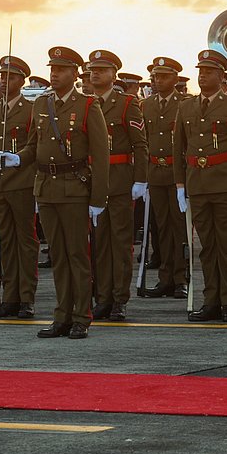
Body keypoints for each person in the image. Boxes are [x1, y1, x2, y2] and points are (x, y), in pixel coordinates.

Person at [0, 47, 110, 339]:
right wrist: (17, 158)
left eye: (60, 69)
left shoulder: (86, 106)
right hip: (46, 188)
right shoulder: (41, 105)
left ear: (74, 73)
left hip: (74, 189)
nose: (54, 74)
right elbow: (35, 144)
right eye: (52, 69)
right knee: (58, 256)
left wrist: (98, 199)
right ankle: (62, 316)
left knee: (76, 255)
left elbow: (101, 155)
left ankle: (81, 315)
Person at [173, 49, 227, 323]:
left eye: (208, 71)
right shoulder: (186, 107)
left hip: (225, 184)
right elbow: (179, 150)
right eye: (200, 71)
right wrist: (180, 185)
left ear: (222, 76)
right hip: (197, 183)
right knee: (206, 246)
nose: (202, 75)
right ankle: (211, 301)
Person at [88, 50, 148, 322]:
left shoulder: (126, 104)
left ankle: (119, 299)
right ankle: (102, 298)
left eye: (101, 69)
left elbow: (139, 143)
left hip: (120, 180)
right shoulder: (86, 103)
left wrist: (140, 179)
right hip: (93, 181)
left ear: (114, 74)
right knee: (99, 243)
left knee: (120, 243)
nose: (95, 73)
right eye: (92, 69)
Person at [0, 55, 39, 319]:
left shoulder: (31, 110)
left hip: (23, 183)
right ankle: (10, 297)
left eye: (11, 77)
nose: (5, 81)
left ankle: (26, 298)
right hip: (0, 184)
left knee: (26, 242)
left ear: (23, 81)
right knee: (6, 242)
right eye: (3, 76)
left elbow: (35, 147)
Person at [141, 57, 188, 299]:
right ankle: (165, 277)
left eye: (164, 76)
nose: (158, 81)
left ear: (176, 79)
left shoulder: (185, 104)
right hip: (156, 173)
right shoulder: (146, 105)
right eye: (156, 77)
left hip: (177, 174)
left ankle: (180, 278)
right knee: (161, 228)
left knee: (179, 228)